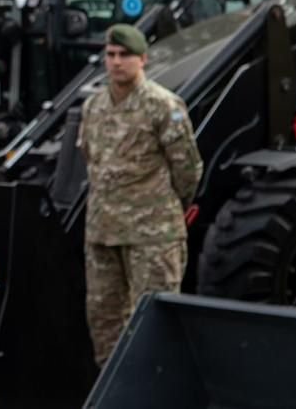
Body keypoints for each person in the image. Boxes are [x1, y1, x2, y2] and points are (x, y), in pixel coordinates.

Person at [78, 24, 203, 367]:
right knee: (104, 323)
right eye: (111, 55)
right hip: (103, 233)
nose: (116, 62)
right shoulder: (93, 107)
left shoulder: (163, 105)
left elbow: (188, 170)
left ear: (143, 60)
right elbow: (91, 159)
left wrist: (163, 209)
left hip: (152, 236)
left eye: (125, 56)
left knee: (154, 323)